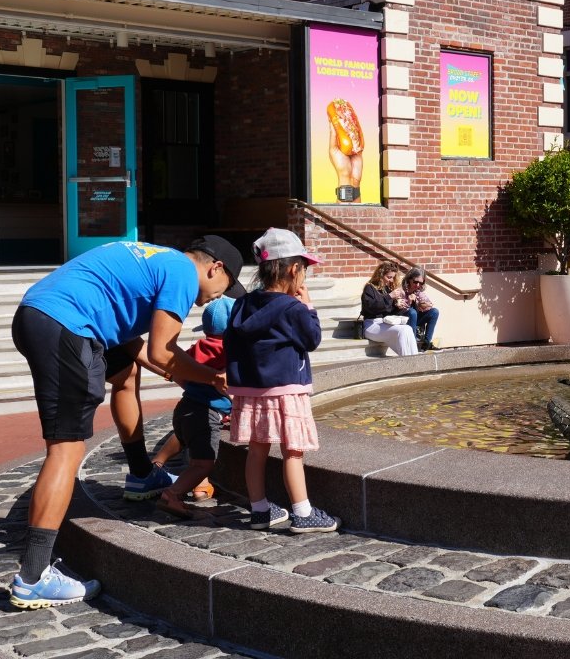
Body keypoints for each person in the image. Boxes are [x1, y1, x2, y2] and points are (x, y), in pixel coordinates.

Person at [9, 235, 246, 609]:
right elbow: (162, 350)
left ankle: (141, 474)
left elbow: (139, 350)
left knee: (125, 376)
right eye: (225, 286)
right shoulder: (184, 273)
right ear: (214, 267)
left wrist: (187, 376)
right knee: (66, 447)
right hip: (66, 325)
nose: (219, 296)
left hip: (41, 315)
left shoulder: (156, 259)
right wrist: (212, 379)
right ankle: (33, 577)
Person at [224, 227, 340, 534]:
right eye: (304, 270)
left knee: (257, 448)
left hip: (252, 390)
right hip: (286, 387)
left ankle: (260, 509)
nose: (304, 277)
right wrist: (308, 306)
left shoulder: (242, 304)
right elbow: (312, 338)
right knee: (293, 449)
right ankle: (302, 511)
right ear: (292, 269)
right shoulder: (291, 307)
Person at [155, 295, 235, 518]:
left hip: (185, 407)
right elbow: (231, 388)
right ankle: (172, 495)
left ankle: (163, 466)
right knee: (203, 464)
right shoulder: (229, 352)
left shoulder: (198, 346)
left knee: (187, 445)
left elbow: (176, 371)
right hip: (204, 413)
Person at [361, 261, 419, 356]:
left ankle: (415, 359)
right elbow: (372, 307)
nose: (391, 280)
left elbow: (390, 311)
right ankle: (407, 362)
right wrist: (389, 296)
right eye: (389, 277)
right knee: (402, 331)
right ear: (380, 275)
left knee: (408, 328)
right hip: (371, 325)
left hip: (385, 323)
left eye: (392, 277)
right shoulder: (369, 288)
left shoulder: (386, 289)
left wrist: (398, 306)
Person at [399, 266, 440, 351]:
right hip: (403, 318)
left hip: (415, 318)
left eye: (421, 283)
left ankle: (426, 343)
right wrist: (410, 302)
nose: (418, 285)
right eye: (415, 282)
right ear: (409, 279)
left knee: (434, 312)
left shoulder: (418, 291)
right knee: (412, 312)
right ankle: (412, 344)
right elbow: (399, 309)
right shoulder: (401, 290)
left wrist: (422, 304)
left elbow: (429, 304)